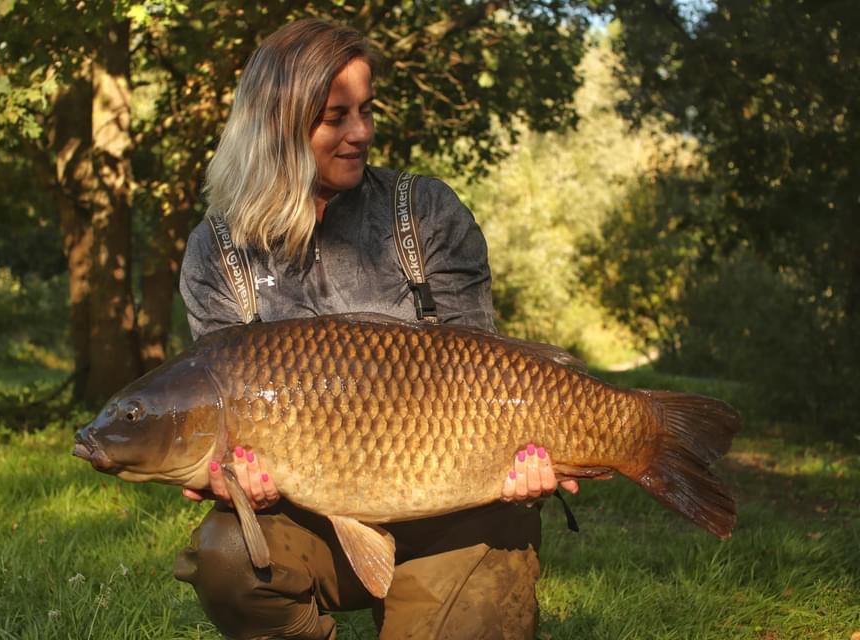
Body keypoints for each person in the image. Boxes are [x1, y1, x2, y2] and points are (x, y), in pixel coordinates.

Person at [172, 18, 580, 640]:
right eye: (335, 117)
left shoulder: (426, 213)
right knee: (226, 558)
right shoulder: (216, 253)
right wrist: (232, 477)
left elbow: (490, 372)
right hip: (311, 519)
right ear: (276, 124)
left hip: (459, 515)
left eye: (366, 110)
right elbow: (220, 401)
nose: (361, 132)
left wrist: (525, 465)